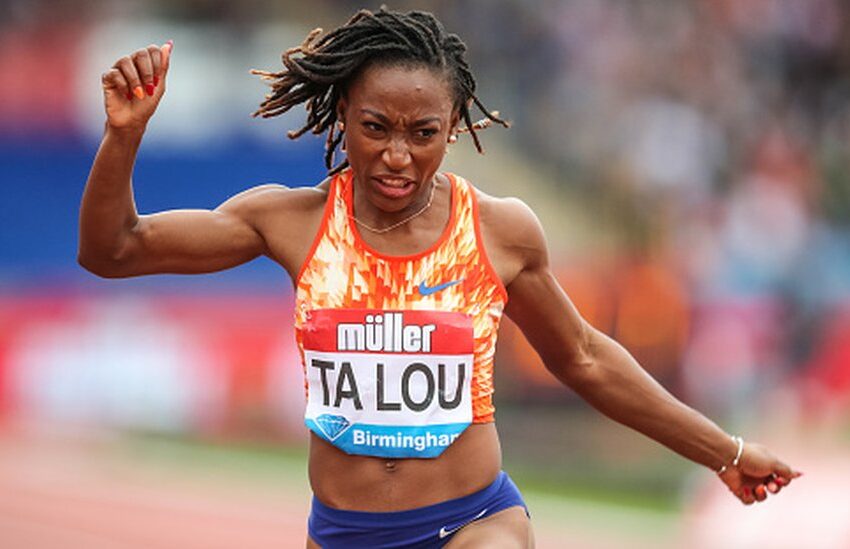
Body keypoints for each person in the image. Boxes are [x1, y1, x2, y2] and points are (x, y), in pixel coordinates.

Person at [78, 8, 800, 549]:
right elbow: (114, 249)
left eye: (423, 133)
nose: (397, 155)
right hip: (341, 531)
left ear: (453, 126)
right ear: (342, 116)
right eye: (376, 127)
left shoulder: (498, 230)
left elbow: (582, 355)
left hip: (474, 520)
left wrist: (726, 453)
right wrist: (124, 134)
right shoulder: (291, 221)